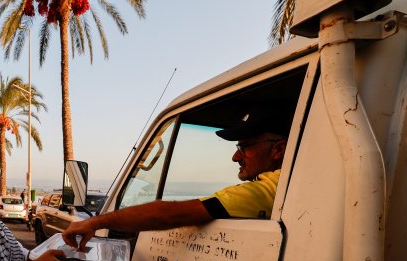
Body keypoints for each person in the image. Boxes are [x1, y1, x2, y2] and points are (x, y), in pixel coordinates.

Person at [63, 107, 290, 250]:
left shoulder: (265, 191)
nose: (235, 156)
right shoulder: (285, 186)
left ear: (278, 150)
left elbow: (168, 215)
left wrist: (95, 222)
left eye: (245, 147)